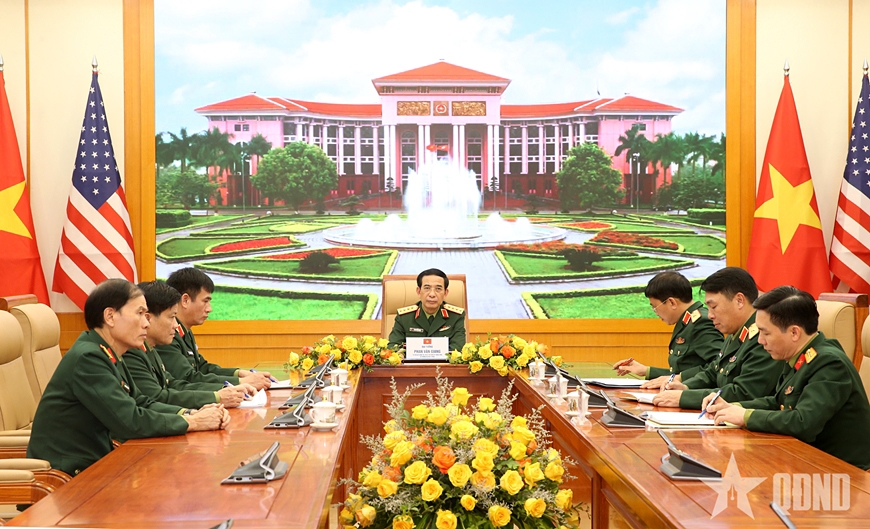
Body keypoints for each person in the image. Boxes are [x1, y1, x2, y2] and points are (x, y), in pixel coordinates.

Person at [26, 279, 230, 477]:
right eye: (140, 313)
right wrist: (191, 422)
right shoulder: (89, 358)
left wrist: (191, 412)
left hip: (98, 466)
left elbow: (141, 402)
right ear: (110, 316)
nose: (146, 323)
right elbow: (129, 421)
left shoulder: (108, 351)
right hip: (70, 476)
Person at [706, 286, 870, 470]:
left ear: (794, 332)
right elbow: (778, 402)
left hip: (840, 473)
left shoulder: (829, 363)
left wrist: (745, 416)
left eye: (765, 333)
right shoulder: (799, 356)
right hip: (805, 461)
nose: (760, 340)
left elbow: (802, 423)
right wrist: (733, 407)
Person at [651, 267, 781, 409]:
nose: (710, 315)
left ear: (739, 300)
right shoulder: (735, 333)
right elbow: (713, 372)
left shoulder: (762, 338)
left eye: (714, 307)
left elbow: (745, 392)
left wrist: (685, 398)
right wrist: (685, 387)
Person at [124, 280, 253, 409]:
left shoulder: (150, 349)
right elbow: (157, 397)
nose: (175, 324)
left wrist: (225, 389)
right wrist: (210, 402)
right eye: (171, 317)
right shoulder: (131, 352)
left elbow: (174, 384)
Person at [156, 267, 272, 389]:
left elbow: (202, 368)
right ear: (185, 300)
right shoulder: (167, 333)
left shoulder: (185, 331)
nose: (209, 309)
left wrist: (240, 374)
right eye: (205, 301)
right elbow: (188, 378)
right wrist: (240, 382)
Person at [612, 272, 722, 383]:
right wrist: (646, 371)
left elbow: (718, 367)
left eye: (655, 307)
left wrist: (679, 379)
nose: (656, 313)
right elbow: (682, 371)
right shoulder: (686, 322)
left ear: (671, 302)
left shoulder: (700, 322)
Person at [388, 268, 466, 352]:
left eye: (438, 289)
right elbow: (393, 347)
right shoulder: (404, 317)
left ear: (445, 293)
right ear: (418, 291)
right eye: (427, 288)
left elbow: (457, 349)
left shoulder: (456, 316)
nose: (432, 294)